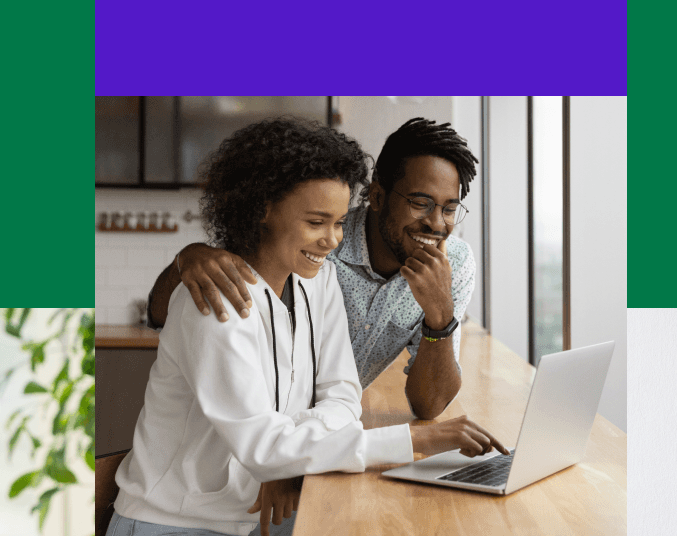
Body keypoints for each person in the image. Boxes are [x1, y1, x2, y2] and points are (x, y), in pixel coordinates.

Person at [110, 118, 505, 536]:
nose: (333, 240)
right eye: (317, 223)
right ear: (261, 209)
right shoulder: (217, 296)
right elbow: (263, 447)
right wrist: (416, 441)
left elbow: (342, 396)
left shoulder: (315, 281)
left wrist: (294, 457)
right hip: (174, 525)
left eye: (337, 223)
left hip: (255, 516)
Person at [147, 117, 478, 421]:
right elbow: (161, 314)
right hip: (263, 430)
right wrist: (187, 258)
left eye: (449, 209)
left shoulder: (455, 265)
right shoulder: (311, 249)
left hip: (314, 434)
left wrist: (440, 316)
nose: (437, 223)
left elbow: (427, 406)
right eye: (420, 204)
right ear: (376, 197)